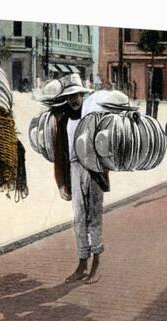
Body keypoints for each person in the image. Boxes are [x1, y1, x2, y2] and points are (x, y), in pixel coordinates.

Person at [53, 74, 108, 285]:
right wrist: (61, 183)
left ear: (82, 95)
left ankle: (96, 264)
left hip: (93, 170)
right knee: (78, 219)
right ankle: (82, 263)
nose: (74, 99)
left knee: (94, 216)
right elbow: (59, 154)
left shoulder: (93, 116)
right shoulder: (64, 120)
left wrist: (102, 170)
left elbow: (105, 145)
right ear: (66, 99)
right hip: (74, 170)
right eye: (70, 96)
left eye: (76, 95)